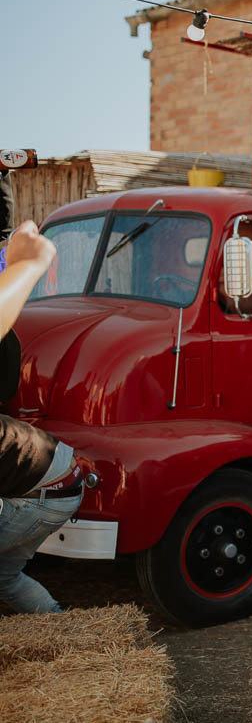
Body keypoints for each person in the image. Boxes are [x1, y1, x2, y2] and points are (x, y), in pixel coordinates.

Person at [0, 221, 85, 613]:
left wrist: (28, 265)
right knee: (4, 577)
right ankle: (61, 633)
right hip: (53, 479)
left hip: (45, 492)